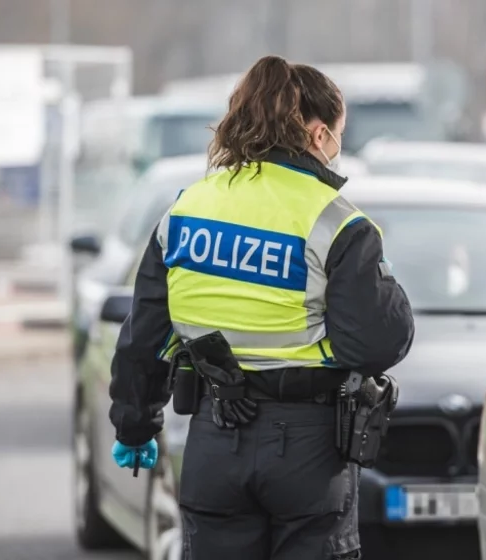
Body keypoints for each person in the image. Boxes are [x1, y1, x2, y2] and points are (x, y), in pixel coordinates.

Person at [107, 55, 415, 560]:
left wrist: (135, 424)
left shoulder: (186, 210)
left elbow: (145, 337)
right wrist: (385, 286)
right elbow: (376, 343)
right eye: (338, 135)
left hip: (214, 440)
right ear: (319, 135)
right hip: (308, 452)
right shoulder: (337, 222)